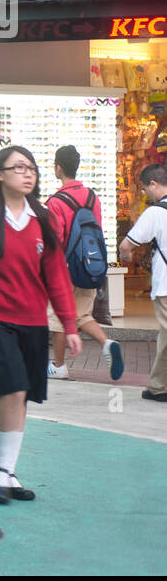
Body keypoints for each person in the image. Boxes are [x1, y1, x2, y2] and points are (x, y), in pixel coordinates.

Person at [0, 145, 79, 505]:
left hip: (31, 320)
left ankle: (7, 471)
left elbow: (56, 274)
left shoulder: (43, 218)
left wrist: (70, 325)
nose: (27, 174)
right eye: (18, 168)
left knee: (22, 393)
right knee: (12, 388)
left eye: (31, 169)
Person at [44, 146, 121, 381]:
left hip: (65, 268)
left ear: (58, 168)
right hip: (90, 264)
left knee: (58, 316)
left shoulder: (55, 202)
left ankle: (59, 365)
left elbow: (55, 240)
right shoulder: (92, 197)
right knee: (83, 315)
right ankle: (107, 342)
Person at [117, 164, 167, 402]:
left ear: (154, 185)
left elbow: (126, 245)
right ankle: (158, 385)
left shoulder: (155, 212)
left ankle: (158, 387)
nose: (146, 193)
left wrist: (126, 258)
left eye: (146, 188)